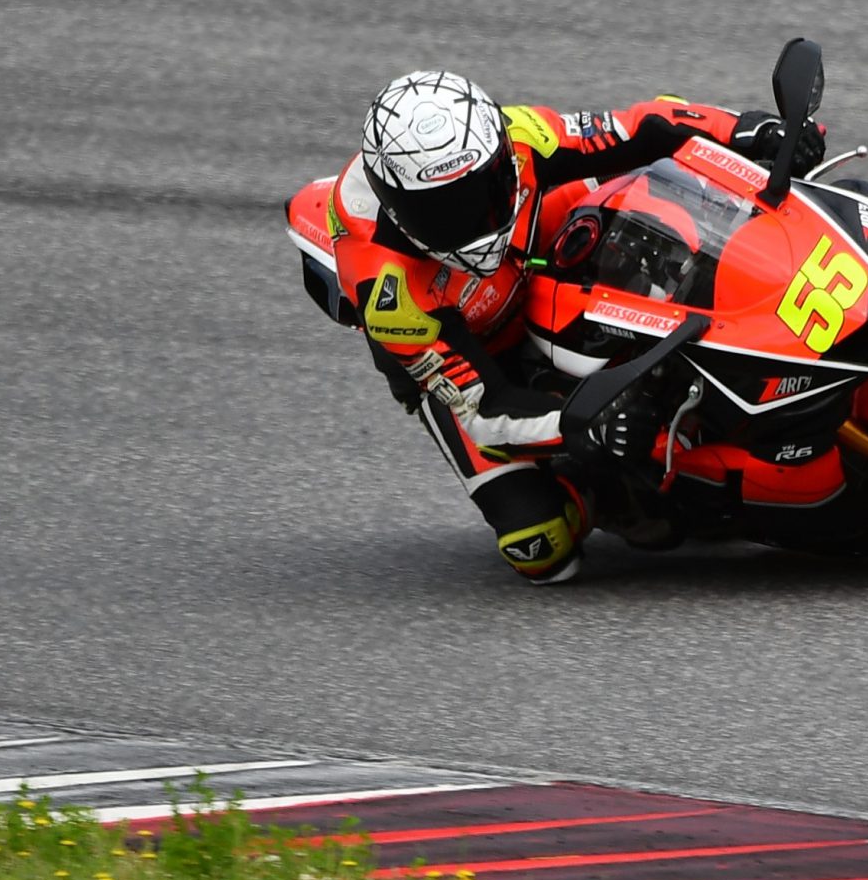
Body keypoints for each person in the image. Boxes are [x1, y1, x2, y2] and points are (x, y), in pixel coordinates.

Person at [324, 69, 822, 583]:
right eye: (444, 213)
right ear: (399, 211)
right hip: (475, 356)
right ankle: (602, 493)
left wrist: (746, 130)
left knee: (657, 169)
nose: (473, 219)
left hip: (529, 250)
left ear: (498, 156)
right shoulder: (390, 295)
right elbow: (484, 409)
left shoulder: (518, 136)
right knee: (540, 545)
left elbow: (633, 128)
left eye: (482, 192)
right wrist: (590, 420)